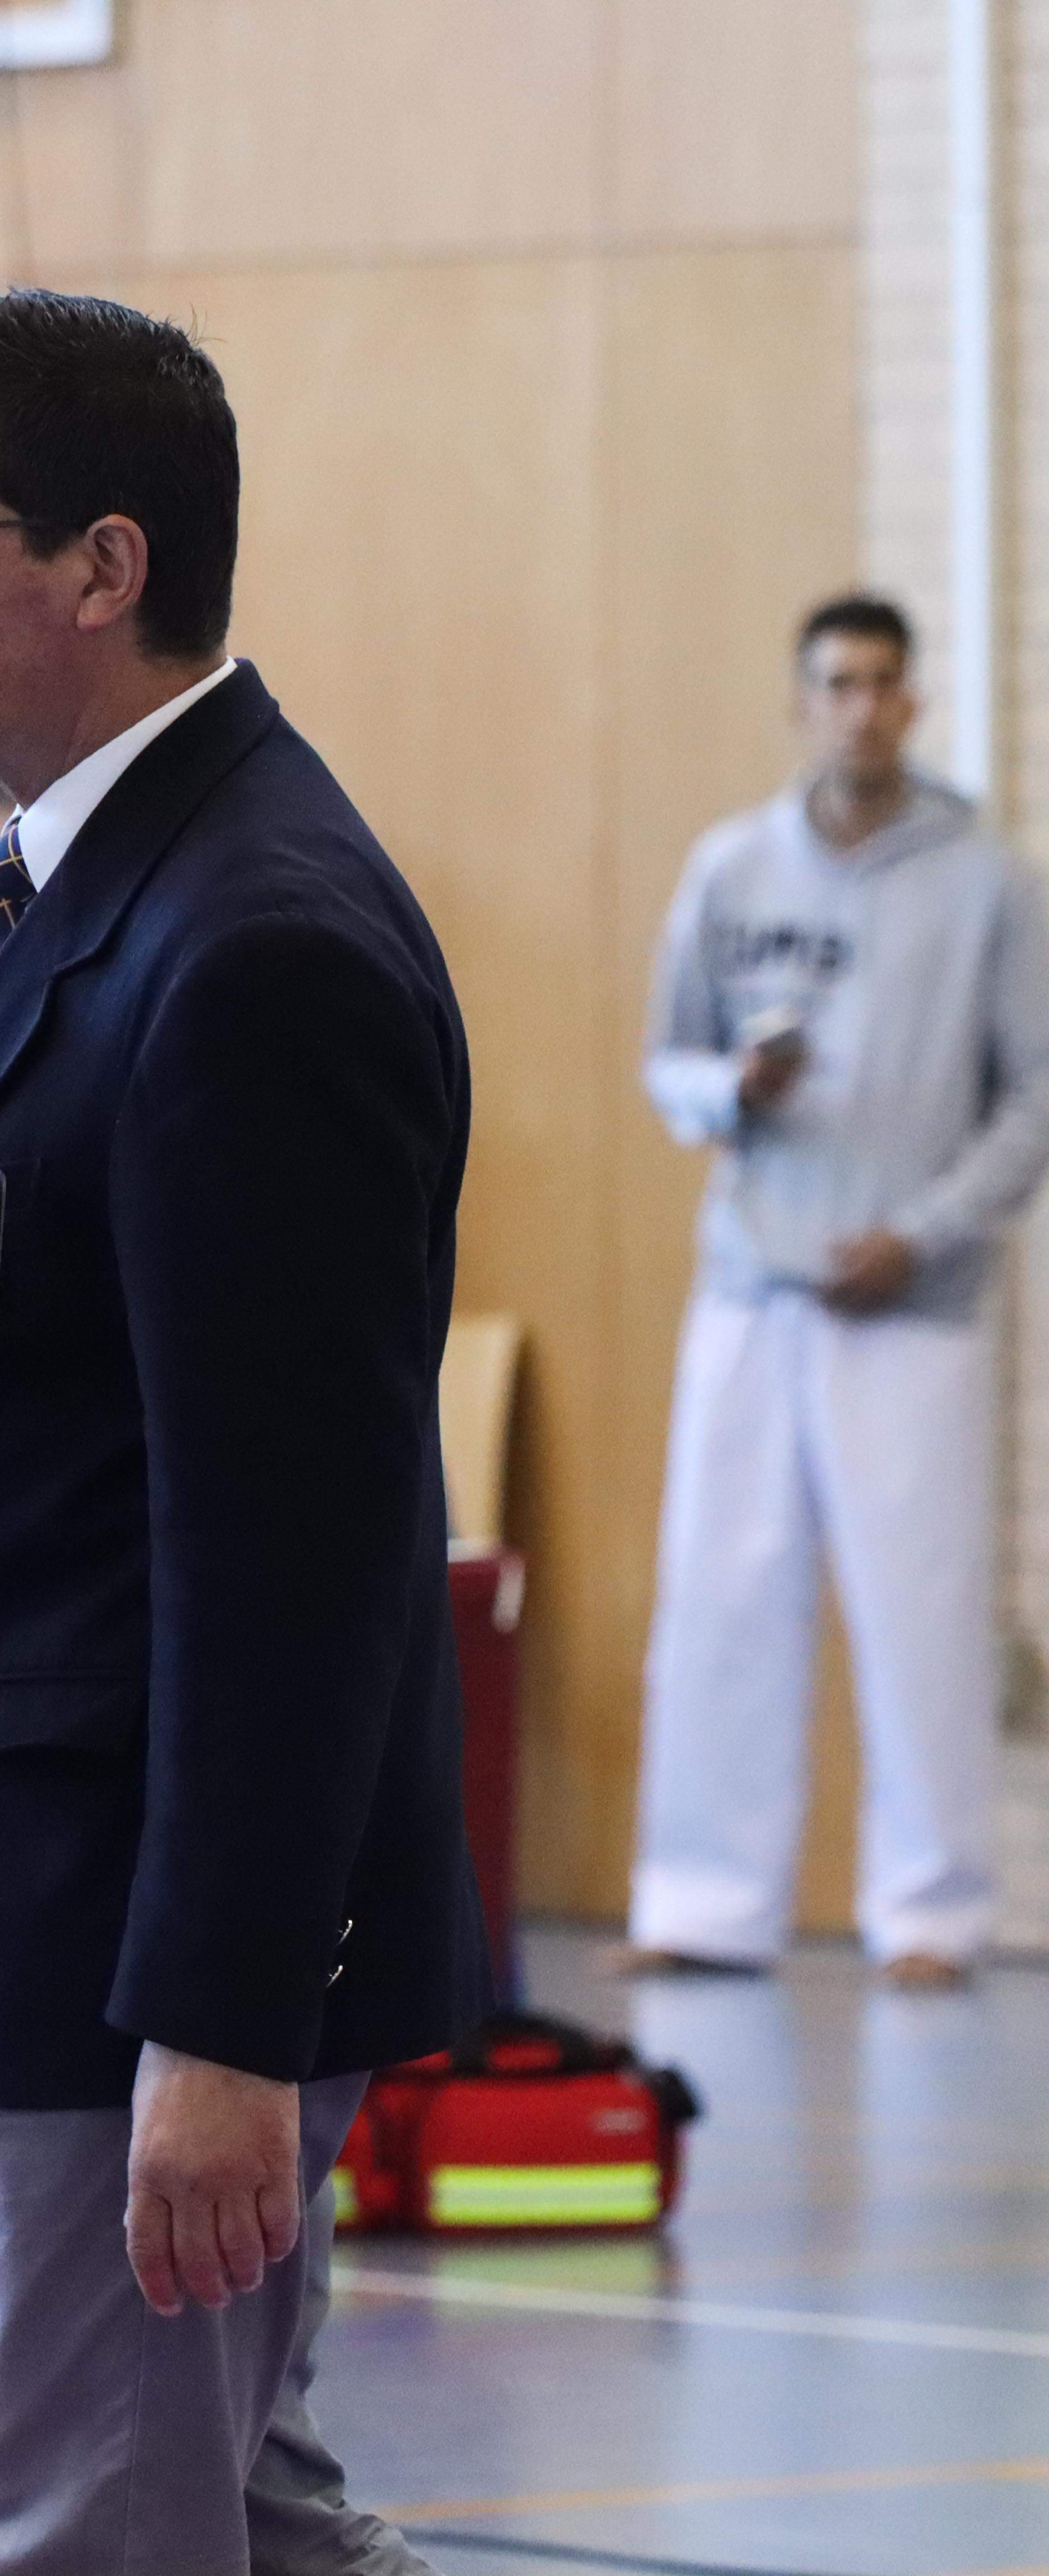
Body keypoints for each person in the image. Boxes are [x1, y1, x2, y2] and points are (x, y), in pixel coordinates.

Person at [0, 289, 485, 2576]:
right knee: (230, 2521)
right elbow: (28, 1455)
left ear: (100, 562)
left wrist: (220, 2014)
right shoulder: (63, 888)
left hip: (143, 1951)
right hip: (48, 1878)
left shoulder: (247, 938)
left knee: (102, 2527)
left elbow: (295, 1547)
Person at [623, 595, 1049, 1993]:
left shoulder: (986, 879)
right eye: (836, 682)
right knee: (722, 1598)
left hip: (907, 1304)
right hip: (752, 1283)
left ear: (911, 703)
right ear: (802, 699)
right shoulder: (733, 866)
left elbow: (1031, 1097)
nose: (860, 705)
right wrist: (726, 1089)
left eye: (882, 683)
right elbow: (667, 1060)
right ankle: (702, 1902)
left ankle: (931, 1910)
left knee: (918, 1606)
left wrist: (920, 1234)